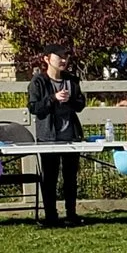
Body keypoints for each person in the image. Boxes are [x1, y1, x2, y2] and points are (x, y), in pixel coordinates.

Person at [24, 48, 85, 226]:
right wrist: (53, 98)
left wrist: (70, 100)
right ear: (47, 59)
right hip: (48, 137)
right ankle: (51, 215)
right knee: (50, 177)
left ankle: (71, 214)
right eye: (59, 57)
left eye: (66, 57)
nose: (63, 61)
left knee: (70, 177)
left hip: (71, 137)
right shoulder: (38, 81)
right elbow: (35, 108)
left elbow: (80, 104)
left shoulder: (72, 80)